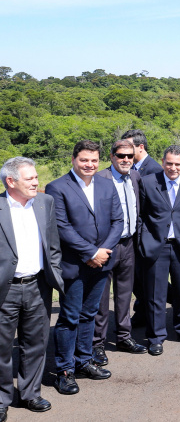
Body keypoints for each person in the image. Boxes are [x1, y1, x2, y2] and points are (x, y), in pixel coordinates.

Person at [46, 140, 123, 394]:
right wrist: (90, 252)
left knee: (89, 314)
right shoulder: (57, 187)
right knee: (69, 317)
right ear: (73, 160)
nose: (89, 165)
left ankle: (84, 361)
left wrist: (102, 253)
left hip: (101, 263)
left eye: (93, 160)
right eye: (84, 160)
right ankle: (65, 371)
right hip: (74, 265)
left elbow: (117, 221)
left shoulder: (106, 183)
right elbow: (62, 227)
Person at [0, 157, 64, 417]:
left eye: (37, 177)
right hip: (6, 289)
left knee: (36, 343)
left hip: (38, 285)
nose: (37, 182)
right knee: (2, 347)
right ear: (10, 181)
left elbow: (53, 244)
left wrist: (55, 272)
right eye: (30, 179)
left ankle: (30, 394)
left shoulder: (45, 202)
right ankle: (2, 398)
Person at [137, 145, 180, 355]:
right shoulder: (147, 182)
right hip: (156, 246)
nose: (173, 168)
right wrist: (142, 242)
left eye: (177, 164)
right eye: (169, 163)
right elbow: (141, 215)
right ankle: (155, 337)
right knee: (156, 294)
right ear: (162, 162)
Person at [93, 139, 147, 364]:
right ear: (112, 156)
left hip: (128, 244)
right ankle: (97, 344)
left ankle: (124, 337)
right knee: (101, 299)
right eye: (120, 156)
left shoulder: (135, 176)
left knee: (124, 295)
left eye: (129, 156)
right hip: (106, 246)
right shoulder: (99, 179)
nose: (125, 160)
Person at [121, 129, 161, 330]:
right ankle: (143, 310)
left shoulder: (153, 169)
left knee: (145, 276)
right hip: (132, 233)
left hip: (145, 233)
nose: (125, 152)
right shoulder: (131, 167)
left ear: (140, 147)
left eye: (129, 147)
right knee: (137, 276)